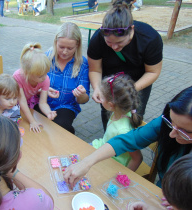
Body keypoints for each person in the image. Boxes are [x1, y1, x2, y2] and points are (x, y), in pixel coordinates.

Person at [63, 86, 192, 189]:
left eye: (184, 131)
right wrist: (86, 162)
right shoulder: (165, 121)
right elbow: (128, 140)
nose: (171, 134)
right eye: (171, 123)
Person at [88, 0, 163, 131]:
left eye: (120, 42)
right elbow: (95, 70)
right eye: (109, 43)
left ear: (131, 30)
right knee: (109, 114)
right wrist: (97, 88)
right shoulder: (97, 39)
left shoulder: (150, 38)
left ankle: (131, 143)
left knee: (134, 114)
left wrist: (130, 90)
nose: (115, 47)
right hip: (110, 83)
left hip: (138, 83)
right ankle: (110, 140)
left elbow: (153, 72)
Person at [91, 72, 142, 171]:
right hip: (102, 147)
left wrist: (123, 177)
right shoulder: (120, 112)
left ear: (111, 105)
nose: (99, 99)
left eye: (101, 98)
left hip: (112, 163)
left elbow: (137, 158)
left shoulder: (122, 131)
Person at [45, 22, 90, 134]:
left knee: (60, 127)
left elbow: (84, 100)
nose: (65, 52)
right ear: (56, 42)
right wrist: (42, 90)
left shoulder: (82, 64)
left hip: (66, 106)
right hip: (42, 102)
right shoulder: (47, 57)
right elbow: (34, 83)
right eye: (61, 47)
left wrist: (81, 95)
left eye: (70, 48)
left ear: (78, 45)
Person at [13, 43, 57, 133]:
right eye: (40, 76)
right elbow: (22, 101)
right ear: (27, 73)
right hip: (12, 104)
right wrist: (32, 121)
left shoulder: (45, 79)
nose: (44, 78)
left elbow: (43, 103)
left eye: (46, 73)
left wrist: (48, 112)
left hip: (28, 104)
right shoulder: (17, 77)